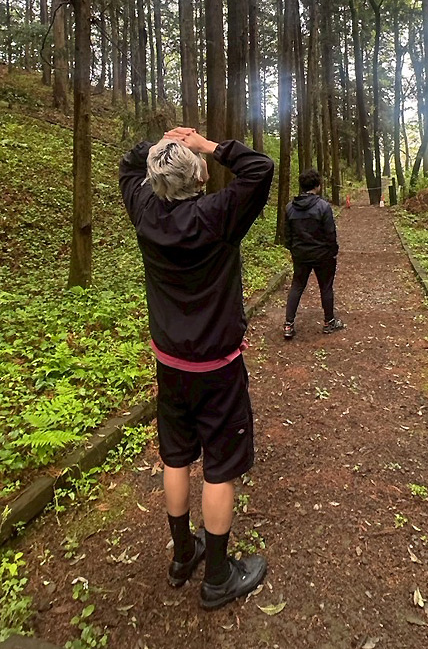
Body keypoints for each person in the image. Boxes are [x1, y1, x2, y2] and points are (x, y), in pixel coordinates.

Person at [119, 127, 274, 609]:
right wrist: (206, 145)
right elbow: (260, 168)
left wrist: (160, 145)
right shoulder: (218, 215)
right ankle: (218, 578)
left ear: (156, 180)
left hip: (170, 365)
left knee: (176, 457)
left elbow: (128, 165)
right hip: (218, 369)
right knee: (219, 468)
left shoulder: (145, 212)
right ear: (200, 176)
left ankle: (183, 555)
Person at [283, 168, 344, 339]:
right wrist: (333, 252)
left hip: (300, 255)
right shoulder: (323, 207)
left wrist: (293, 250)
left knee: (297, 286)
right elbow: (330, 233)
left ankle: (288, 324)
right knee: (326, 287)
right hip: (322, 255)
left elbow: (287, 235)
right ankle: (329, 322)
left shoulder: (290, 208)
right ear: (317, 186)